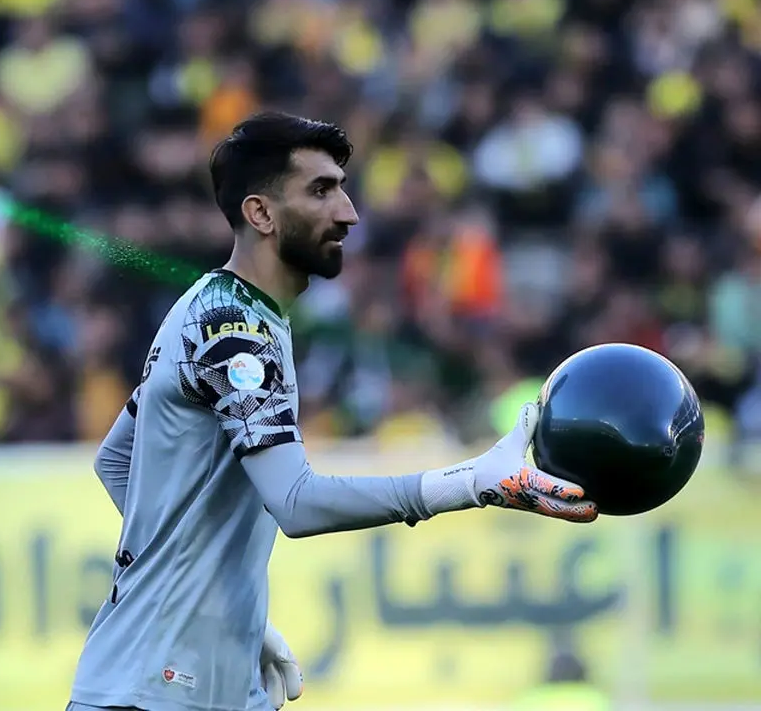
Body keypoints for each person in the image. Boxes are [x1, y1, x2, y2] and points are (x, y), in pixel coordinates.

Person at [65, 112, 598, 711]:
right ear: (261, 214)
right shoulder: (236, 332)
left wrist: (221, 610)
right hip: (154, 693)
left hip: (176, 682)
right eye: (321, 191)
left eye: (342, 188)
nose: (349, 213)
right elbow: (296, 503)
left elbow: (116, 461)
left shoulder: (216, 305)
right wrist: (468, 482)